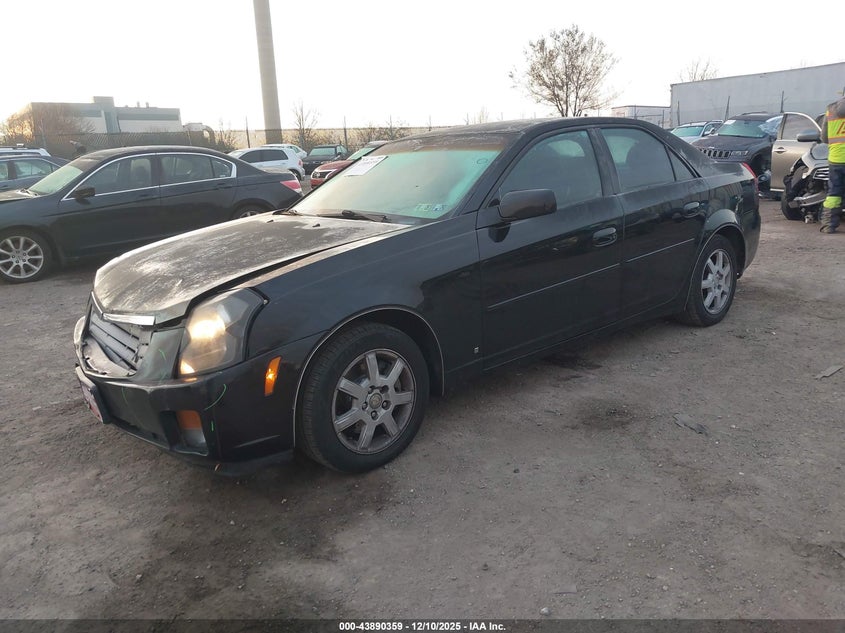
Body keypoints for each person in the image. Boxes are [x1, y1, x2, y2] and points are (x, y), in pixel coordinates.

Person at [819, 96, 845, 233]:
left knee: (834, 193)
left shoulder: (831, 109)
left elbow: (824, 137)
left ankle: (829, 225)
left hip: (836, 158)